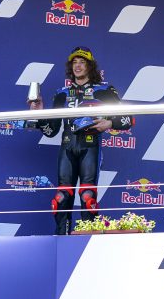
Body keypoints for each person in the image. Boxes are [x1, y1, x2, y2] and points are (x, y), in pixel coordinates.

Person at [28, 47, 134, 235]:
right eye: (74, 62)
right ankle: (61, 238)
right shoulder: (61, 93)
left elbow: (129, 119)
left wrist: (109, 123)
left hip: (90, 147)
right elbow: (51, 131)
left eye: (82, 62)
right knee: (61, 197)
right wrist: (39, 113)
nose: (77, 66)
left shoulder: (104, 90)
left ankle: (87, 239)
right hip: (67, 147)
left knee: (87, 195)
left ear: (90, 66)